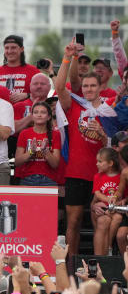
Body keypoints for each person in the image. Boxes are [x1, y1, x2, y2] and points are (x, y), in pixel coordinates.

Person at [56, 41, 115, 256]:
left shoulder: (108, 111)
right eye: (86, 86)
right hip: (75, 173)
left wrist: (101, 135)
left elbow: (111, 147)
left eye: (93, 86)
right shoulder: (75, 104)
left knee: (101, 221)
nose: (89, 89)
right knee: (73, 222)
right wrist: (67, 58)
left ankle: (102, 266)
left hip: (100, 175)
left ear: (100, 87)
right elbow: (60, 87)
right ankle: (70, 268)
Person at [14, 102, 62, 186]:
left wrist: (45, 151)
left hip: (49, 179)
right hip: (27, 178)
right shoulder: (24, 133)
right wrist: (31, 152)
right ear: (32, 116)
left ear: (49, 117)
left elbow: (55, 164)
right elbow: (17, 162)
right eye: (36, 112)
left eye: (43, 112)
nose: (39, 115)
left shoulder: (56, 134)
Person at [0, 35, 40, 103]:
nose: (9, 51)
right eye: (7, 48)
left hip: (25, 112)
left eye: (13, 48)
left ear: (22, 49)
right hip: (0, 112)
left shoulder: (34, 71)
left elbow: (43, 94)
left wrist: (27, 95)